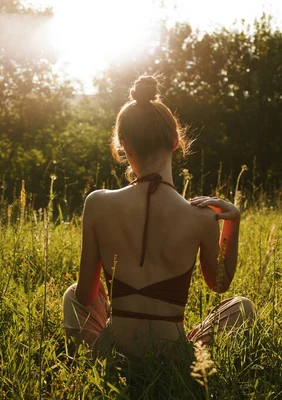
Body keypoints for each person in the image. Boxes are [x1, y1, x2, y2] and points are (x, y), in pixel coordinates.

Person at [62, 75, 255, 360]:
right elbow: (220, 284)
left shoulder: (98, 203)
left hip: (114, 352)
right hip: (173, 357)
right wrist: (232, 221)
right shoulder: (201, 216)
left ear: (124, 147)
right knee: (243, 307)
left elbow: (86, 298)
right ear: (176, 141)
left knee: (72, 292)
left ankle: (91, 358)